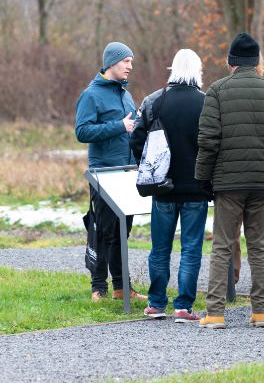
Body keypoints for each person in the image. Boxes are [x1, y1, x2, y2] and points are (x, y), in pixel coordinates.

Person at [195, 32, 264, 329]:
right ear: (257, 62)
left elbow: (208, 140)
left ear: (230, 61)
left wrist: (203, 178)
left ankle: (216, 312)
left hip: (228, 182)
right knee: (259, 245)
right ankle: (261, 312)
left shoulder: (218, 90)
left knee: (223, 245)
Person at [130, 49, 209, 322]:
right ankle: (183, 307)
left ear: (172, 69)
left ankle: (155, 303)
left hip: (162, 188)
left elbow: (137, 139)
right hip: (196, 188)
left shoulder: (155, 101)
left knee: (160, 248)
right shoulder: (206, 102)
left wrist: (151, 165)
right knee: (191, 248)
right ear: (197, 70)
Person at [75, 41, 146, 302]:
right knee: (104, 230)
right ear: (112, 62)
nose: (130, 66)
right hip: (103, 174)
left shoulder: (125, 94)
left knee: (122, 233)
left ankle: (121, 287)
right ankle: (98, 288)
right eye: (126, 61)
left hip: (127, 173)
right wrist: (120, 126)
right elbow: (82, 132)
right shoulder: (91, 95)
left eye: (131, 62)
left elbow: (132, 128)